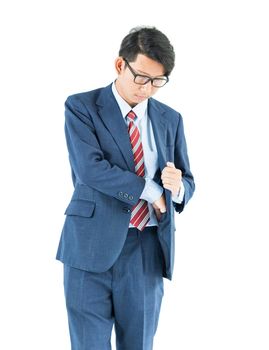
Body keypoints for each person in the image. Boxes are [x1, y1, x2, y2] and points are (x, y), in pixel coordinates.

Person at [56, 26, 195, 350]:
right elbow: (90, 170)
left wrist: (176, 190)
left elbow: (186, 180)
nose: (147, 89)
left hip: (146, 249)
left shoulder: (170, 119)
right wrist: (153, 190)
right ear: (121, 65)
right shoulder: (82, 106)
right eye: (142, 78)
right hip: (89, 246)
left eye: (158, 82)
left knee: (139, 344)